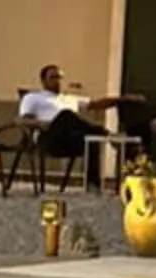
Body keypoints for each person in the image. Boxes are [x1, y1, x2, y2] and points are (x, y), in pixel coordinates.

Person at [18, 64, 120, 192]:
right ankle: (107, 134)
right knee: (66, 114)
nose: (57, 80)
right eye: (53, 77)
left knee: (91, 140)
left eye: (59, 77)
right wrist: (40, 123)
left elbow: (96, 104)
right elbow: (23, 120)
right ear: (43, 81)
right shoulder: (33, 97)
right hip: (48, 138)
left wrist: (120, 100)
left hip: (69, 141)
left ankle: (93, 185)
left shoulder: (68, 99)